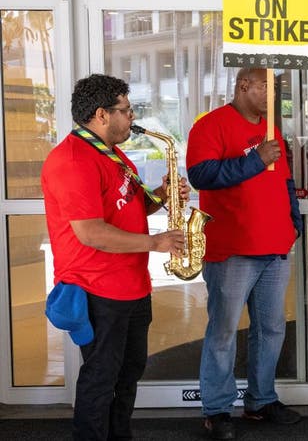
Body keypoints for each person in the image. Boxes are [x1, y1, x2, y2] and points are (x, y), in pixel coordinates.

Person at [41, 73, 186, 440]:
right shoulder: (73, 160)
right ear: (102, 115)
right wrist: (156, 244)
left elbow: (128, 208)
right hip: (98, 289)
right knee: (101, 378)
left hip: (131, 285)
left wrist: (162, 194)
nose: (132, 118)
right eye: (126, 109)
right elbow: (91, 232)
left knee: (127, 374)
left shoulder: (113, 153)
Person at [187, 68, 303, 440]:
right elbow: (201, 175)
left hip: (274, 246)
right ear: (243, 86)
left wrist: (293, 223)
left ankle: (260, 401)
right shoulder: (210, 125)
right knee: (222, 331)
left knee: (270, 329)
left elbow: (285, 181)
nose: (272, 96)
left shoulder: (272, 129)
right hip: (232, 248)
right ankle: (218, 410)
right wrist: (255, 159)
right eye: (266, 88)